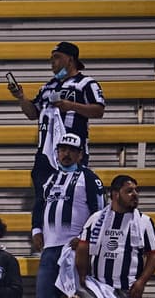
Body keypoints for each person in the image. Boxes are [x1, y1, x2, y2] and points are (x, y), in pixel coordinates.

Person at [30, 133, 105, 298]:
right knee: (44, 295)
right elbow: (39, 206)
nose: (66, 154)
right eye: (63, 149)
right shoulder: (49, 179)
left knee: (76, 295)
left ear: (80, 154)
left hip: (75, 249)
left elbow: (100, 214)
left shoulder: (90, 178)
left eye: (72, 150)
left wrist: (85, 238)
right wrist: (36, 229)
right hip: (50, 248)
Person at [8, 40, 106, 200]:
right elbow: (32, 113)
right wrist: (20, 97)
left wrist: (71, 106)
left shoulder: (86, 84)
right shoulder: (48, 87)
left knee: (71, 196)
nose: (52, 62)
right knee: (42, 197)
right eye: (51, 58)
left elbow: (99, 110)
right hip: (45, 153)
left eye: (57, 57)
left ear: (70, 59)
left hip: (72, 150)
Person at [74, 174, 155, 298]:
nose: (135, 194)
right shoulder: (96, 219)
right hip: (98, 286)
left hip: (128, 289)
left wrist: (141, 281)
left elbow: (154, 255)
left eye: (136, 191)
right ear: (115, 194)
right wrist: (83, 275)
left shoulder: (144, 221)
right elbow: (83, 248)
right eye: (129, 191)